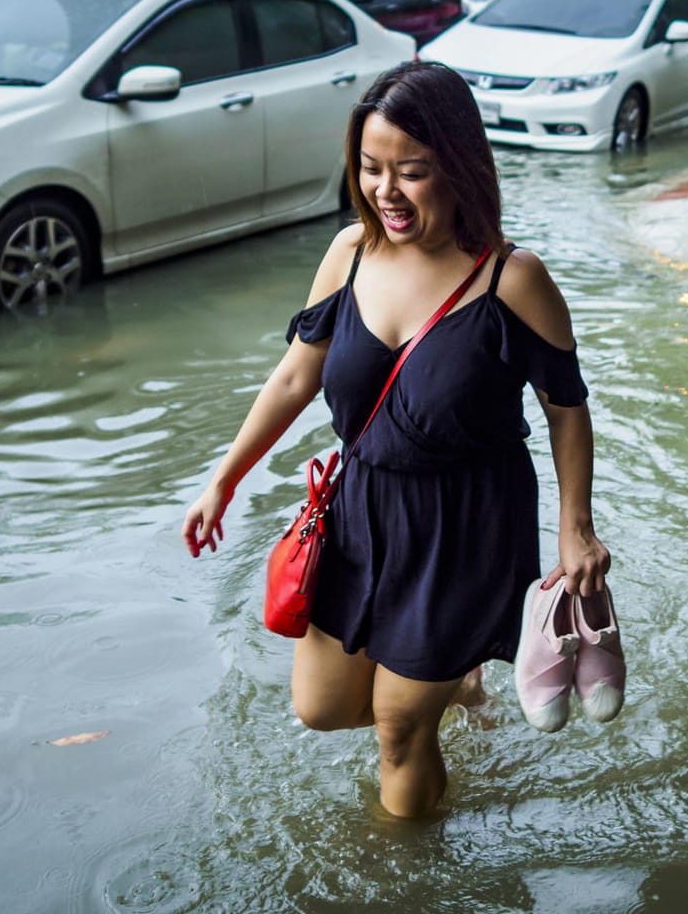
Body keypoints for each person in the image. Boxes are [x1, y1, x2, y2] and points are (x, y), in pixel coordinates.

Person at [181, 61, 612, 820]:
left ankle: (400, 869)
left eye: (411, 172)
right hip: (361, 511)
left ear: (459, 167)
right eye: (371, 169)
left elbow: (566, 407)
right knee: (320, 709)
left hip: (466, 524)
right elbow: (294, 379)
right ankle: (454, 679)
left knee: (396, 729)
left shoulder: (512, 280)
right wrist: (225, 477)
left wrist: (574, 529)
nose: (386, 191)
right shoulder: (350, 253)